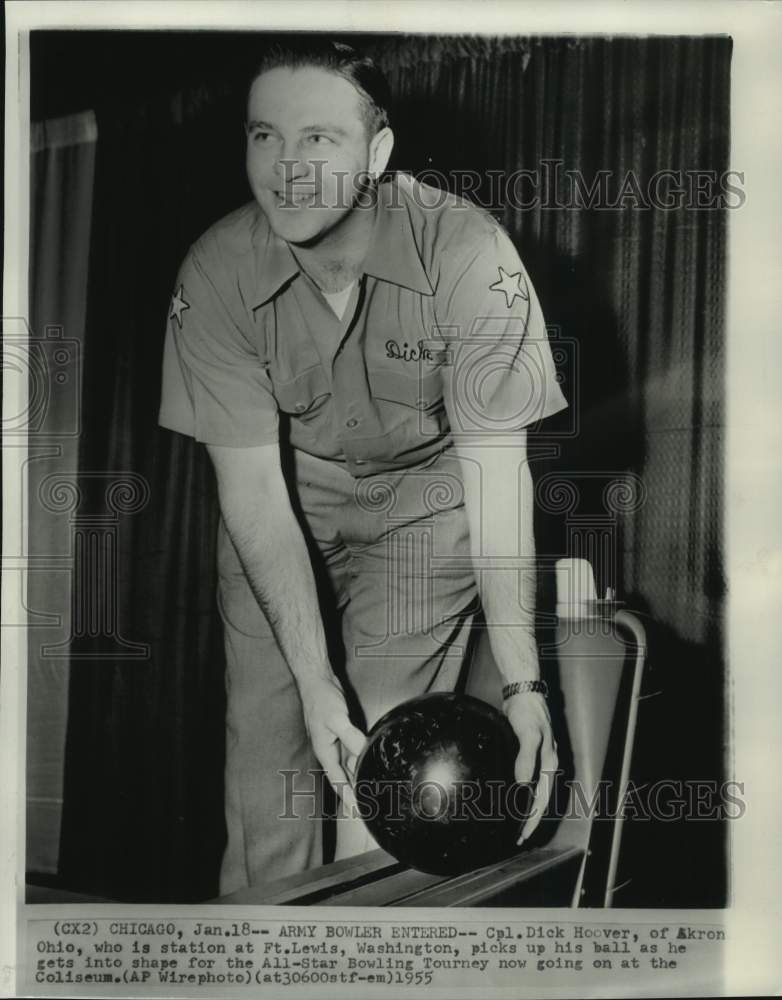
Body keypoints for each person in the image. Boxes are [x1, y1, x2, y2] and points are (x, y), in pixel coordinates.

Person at [159, 38, 568, 896]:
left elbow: (496, 475)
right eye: (265, 136)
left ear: (377, 154)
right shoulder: (217, 271)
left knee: (384, 763)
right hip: (286, 514)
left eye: (319, 139)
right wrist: (311, 683)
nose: (287, 167)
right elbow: (255, 495)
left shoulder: (468, 253)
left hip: (427, 508)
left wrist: (523, 677)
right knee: (268, 767)